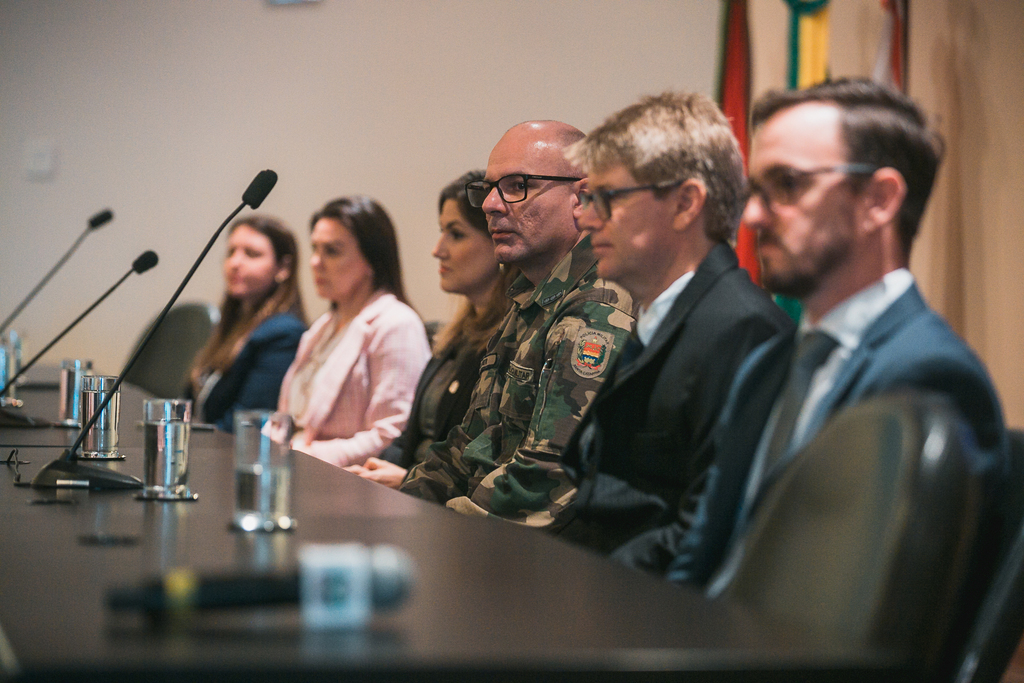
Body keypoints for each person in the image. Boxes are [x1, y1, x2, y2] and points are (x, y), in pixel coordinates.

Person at [666, 78, 1008, 590]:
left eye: (787, 184)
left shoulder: (929, 374)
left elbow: (883, 609)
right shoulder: (768, 362)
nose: (753, 217)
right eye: (754, 191)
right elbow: (704, 550)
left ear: (879, 200)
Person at [554, 92, 793, 571]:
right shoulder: (665, 314)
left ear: (685, 203)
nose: (585, 216)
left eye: (607, 198)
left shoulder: (741, 328)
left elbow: (705, 532)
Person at [400, 121, 636, 527]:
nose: (491, 204)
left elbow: (546, 478)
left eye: (516, 186)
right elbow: (466, 445)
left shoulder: (598, 306)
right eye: (490, 188)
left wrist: (434, 531)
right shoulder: (531, 298)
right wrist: (398, 515)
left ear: (580, 197)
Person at [346, 170, 516, 488]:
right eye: (442, 232)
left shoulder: (510, 341)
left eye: (456, 234)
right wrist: (376, 468)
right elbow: (410, 438)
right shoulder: (453, 337)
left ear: (497, 239)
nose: (438, 250)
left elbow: (478, 461)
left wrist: (409, 480)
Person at [278, 196, 431, 468]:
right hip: (300, 470)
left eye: (332, 251)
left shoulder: (395, 324)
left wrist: (304, 456)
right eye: (315, 248)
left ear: (372, 260)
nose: (315, 262)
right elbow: (289, 420)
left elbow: (391, 433)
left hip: (350, 485)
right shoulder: (322, 327)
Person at [188, 215, 306, 432]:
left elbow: (246, 423)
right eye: (231, 252)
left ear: (283, 267)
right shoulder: (231, 325)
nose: (235, 263)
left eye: (251, 254)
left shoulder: (284, 333)